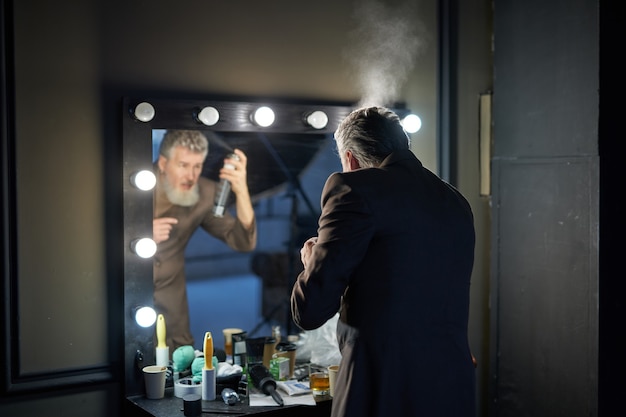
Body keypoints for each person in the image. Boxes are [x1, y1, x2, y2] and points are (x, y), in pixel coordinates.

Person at [291, 107, 476, 417]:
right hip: (452, 386)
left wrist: (312, 260)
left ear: (350, 159)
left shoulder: (352, 188)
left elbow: (309, 310)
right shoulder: (455, 200)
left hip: (382, 387)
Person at [153, 130, 257, 352]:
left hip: (172, 301)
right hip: (122, 292)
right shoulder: (132, 182)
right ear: (163, 163)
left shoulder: (205, 192)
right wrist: (138, 235)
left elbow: (242, 241)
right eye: (183, 165)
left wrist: (241, 190)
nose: (191, 176)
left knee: (179, 363)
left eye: (197, 166)